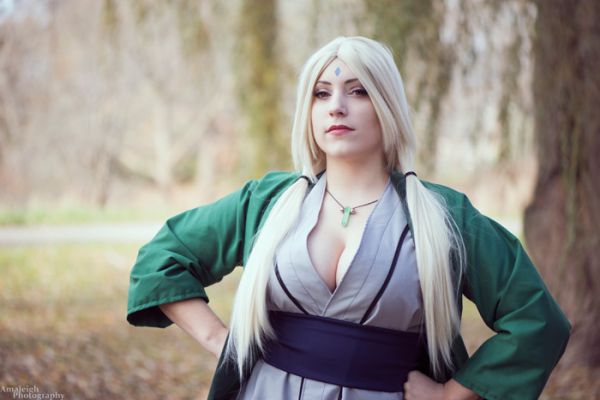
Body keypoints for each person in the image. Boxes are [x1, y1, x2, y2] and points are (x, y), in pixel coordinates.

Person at [127, 36, 570, 400]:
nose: (336, 106)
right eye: (322, 93)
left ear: (387, 105)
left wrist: (453, 393)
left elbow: (537, 320)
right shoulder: (267, 203)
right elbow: (163, 258)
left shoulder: (444, 216)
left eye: (358, 91)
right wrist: (220, 341)